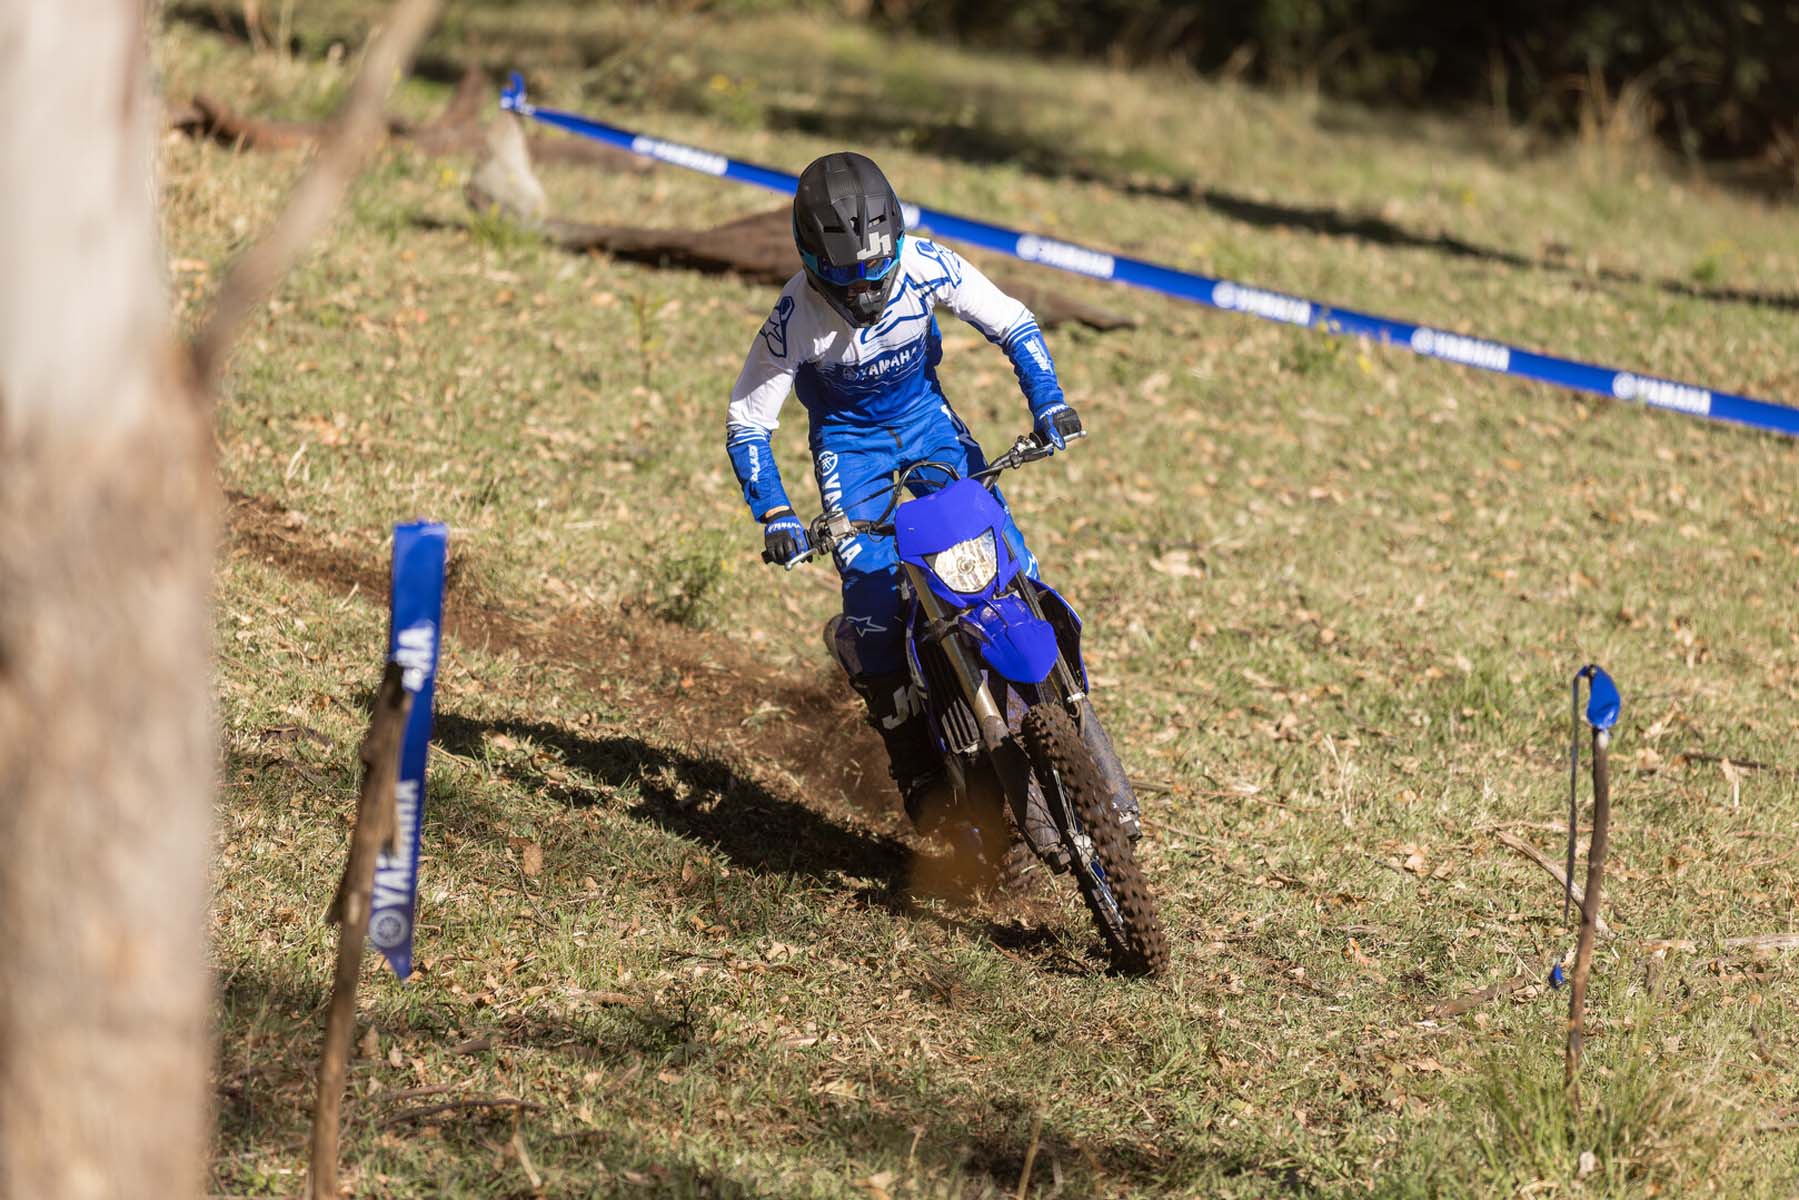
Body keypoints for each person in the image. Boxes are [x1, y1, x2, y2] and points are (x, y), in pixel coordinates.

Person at [724, 151, 1137, 853]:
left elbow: (1013, 322)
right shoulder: (793, 316)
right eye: (844, 276)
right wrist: (778, 515)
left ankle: (1066, 701)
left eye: (874, 270)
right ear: (808, 258)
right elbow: (746, 421)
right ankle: (910, 755)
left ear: (895, 240)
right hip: (849, 448)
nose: (863, 291)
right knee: (872, 599)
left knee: (1010, 562)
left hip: (928, 423)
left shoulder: (926, 264)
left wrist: (1049, 403)